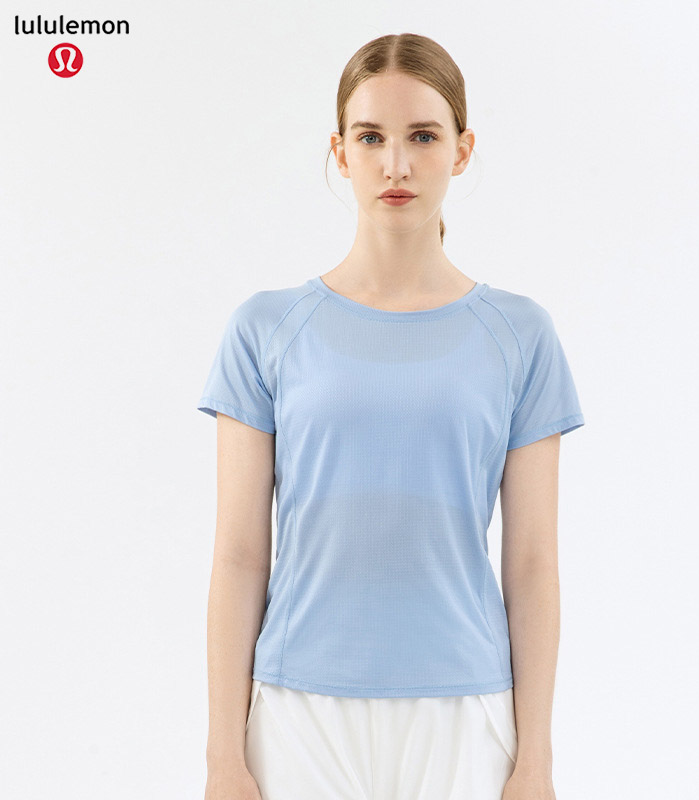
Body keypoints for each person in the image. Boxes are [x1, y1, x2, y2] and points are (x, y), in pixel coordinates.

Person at [199, 32, 585, 800]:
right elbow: (240, 554)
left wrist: (536, 761)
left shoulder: (520, 335)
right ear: (340, 152)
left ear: (462, 150)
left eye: (423, 137)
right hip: (298, 712)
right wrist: (223, 757)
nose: (396, 165)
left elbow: (533, 564)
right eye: (371, 137)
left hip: (464, 712)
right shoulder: (265, 329)